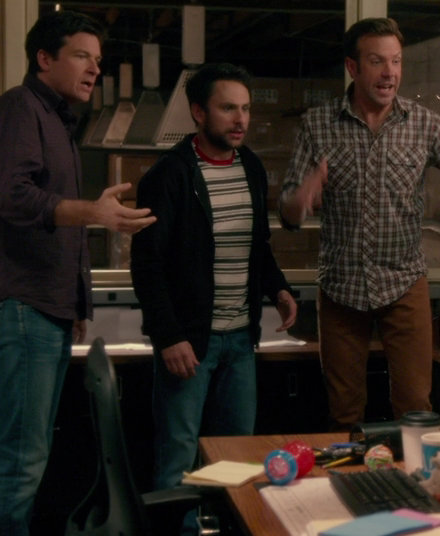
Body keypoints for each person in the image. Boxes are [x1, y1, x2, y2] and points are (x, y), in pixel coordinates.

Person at [279, 17, 440, 430]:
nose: (389, 73)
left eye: (396, 61)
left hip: (404, 283)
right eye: (377, 61)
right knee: (343, 411)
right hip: (341, 287)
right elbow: (289, 213)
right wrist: (303, 196)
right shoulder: (317, 125)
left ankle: (411, 472)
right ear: (353, 67)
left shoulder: (423, 124)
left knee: (415, 407)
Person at [0, 10, 155, 535]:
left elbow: (56, 226)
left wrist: (75, 304)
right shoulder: (18, 108)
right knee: (20, 462)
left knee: (29, 457)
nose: (95, 68)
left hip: (44, 308)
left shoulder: (55, 120)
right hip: (22, 304)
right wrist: (94, 212)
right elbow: (16, 198)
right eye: (81, 56)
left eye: (98, 59)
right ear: (44, 58)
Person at [130, 63, 297, 505]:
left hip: (240, 340)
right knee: (178, 459)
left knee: (237, 458)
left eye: (245, 109)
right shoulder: (169, 175)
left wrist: (279, 290)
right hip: (190, 342)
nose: (240, 119)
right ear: (199, 112)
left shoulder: (251, 167)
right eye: (228, 109)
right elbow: (146, 265)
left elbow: (258, 245)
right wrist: (168, 336)